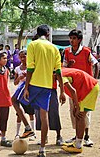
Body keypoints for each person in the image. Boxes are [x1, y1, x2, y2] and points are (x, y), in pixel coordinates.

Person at [23, 25, 65, 157]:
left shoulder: (32, 45)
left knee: (14, 100)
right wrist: (62, 91)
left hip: (34, 84)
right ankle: (42, 149)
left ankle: (28, 128)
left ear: (38, 33)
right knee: (44, 115)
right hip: (48, 86)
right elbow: (58, 71)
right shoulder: (54, 48)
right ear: (47, 34)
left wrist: (26, 87)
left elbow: (30, 68)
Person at [64, 29, 99, 147]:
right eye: (70, 38)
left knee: (84, 113)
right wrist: (69, 65)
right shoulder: (67, 52)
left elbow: (97, 64)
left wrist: (94, 78)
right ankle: (77, 135)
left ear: (79, 40)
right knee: (74, 111)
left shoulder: (86, 51)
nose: (71, 40)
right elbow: (64, 67)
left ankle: (86, 136)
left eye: (74, 38)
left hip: (85, 86)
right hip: (72, 86)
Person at [61, 67, 99, 153]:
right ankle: (77, 143)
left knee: (81, 115)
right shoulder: (62, 71)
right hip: (85, 90)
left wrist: (77, 107)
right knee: (78, 116)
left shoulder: (62, 76)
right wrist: (75, 106)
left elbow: (73, 91)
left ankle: (78, 146)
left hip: (89, 90)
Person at [11, 50, 36, 140]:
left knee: (31, 112)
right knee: (19, 113)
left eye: (24, 56)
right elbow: (15, 82)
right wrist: (19, 77)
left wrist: (28, 76)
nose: (22, 58)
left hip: (28, 91)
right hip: (20, 90)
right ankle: (17, 133)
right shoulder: (17, 69)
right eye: (20, 57)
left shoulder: (31, 66)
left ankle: (33, 132)